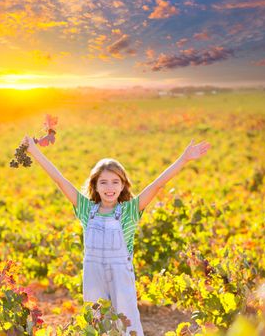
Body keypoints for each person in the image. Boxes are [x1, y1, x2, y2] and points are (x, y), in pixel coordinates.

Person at [21, 136, 211, 335]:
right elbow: (60, 180)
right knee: (96, 321)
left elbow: (157, 185)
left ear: (123, 186)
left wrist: (183, 159)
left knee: (126, 322)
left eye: (115, 182)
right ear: (95, 186)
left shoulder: (130, 210)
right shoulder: (86, 209)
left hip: (120, 275)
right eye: (103, 182)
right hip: (93, 274)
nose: (109, 188)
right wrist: (34, 151)